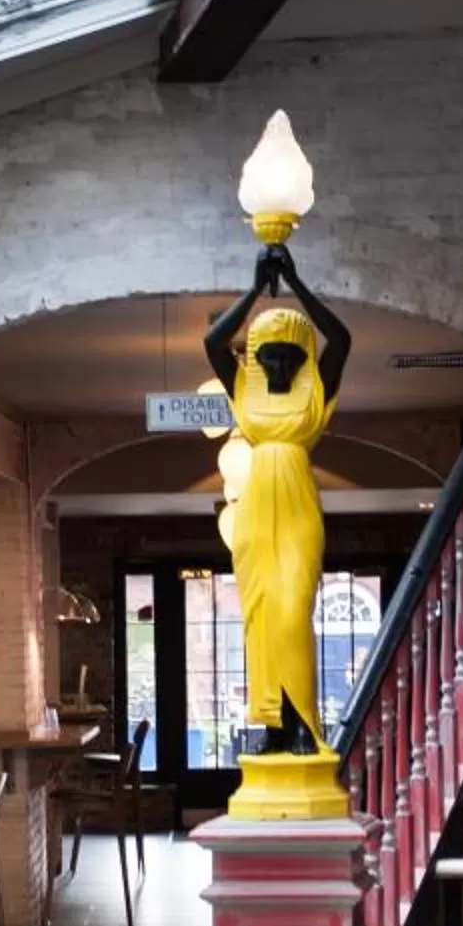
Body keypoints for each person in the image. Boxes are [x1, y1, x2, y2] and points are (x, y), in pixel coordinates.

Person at [202, 240, 350, 754]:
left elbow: (342, 338)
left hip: (297, 499)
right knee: (260, 613)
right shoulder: (245, 387)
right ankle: (273, 724)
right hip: (255, 502)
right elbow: (214, 343)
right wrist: (255, 290)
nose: (280, 367)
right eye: (270, 358)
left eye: (289, 356)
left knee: (293, 609)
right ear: (258, 361)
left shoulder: (317, 389)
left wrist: (295, 283)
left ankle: (306, 724)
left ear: (303, 358)